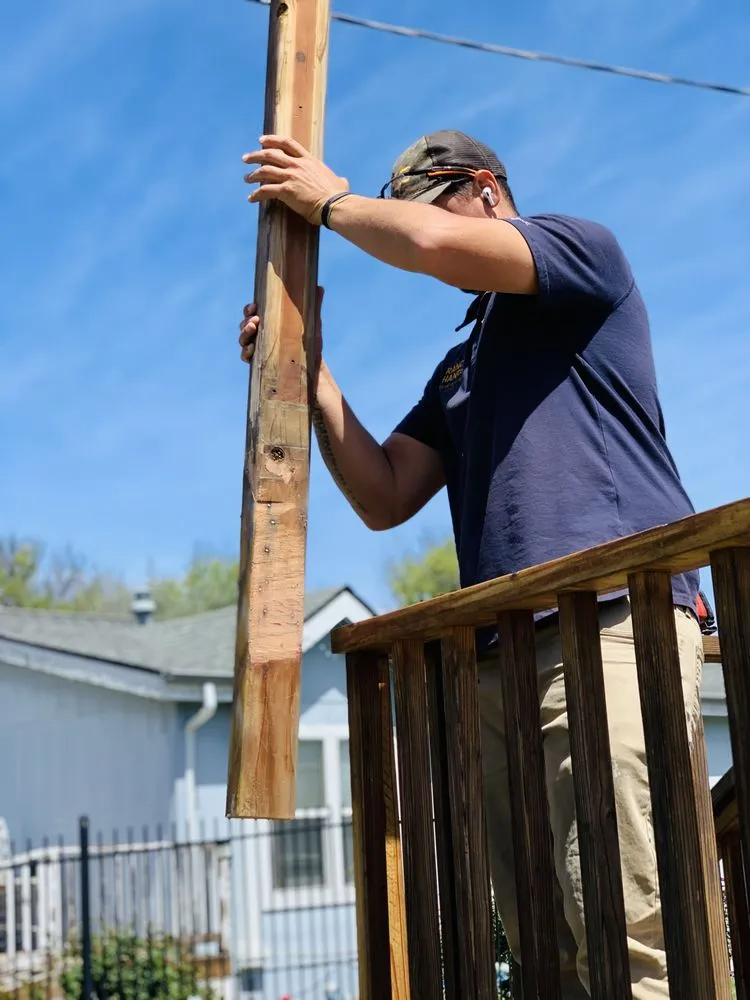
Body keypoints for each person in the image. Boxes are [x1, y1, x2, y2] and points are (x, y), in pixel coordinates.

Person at [238, 129, 703, 999]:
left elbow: (426, 244)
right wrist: (313, 377)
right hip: (500, 660)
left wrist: (328, 202)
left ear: (486, 188)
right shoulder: (460, 365)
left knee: (632, 919)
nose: (422, 234)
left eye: (430, 205)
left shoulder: (580, 255)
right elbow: (384, 494)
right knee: (540, 939)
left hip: (609, 622)